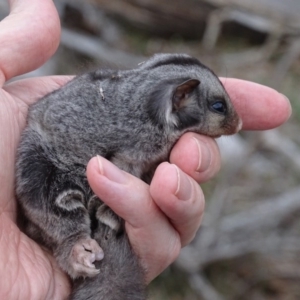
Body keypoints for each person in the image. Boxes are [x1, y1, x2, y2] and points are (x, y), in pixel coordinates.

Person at [0, 0, 291, 299]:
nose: (235, 124)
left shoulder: (153, 122)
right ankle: (71, 246)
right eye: (219, 108)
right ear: (180, 101)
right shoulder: (146, 130)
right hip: (53, 165)